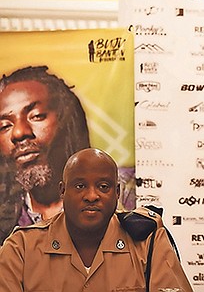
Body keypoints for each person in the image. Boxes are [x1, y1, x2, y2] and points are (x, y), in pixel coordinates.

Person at [0, 148, 193, 291]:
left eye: (103, 186)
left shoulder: (148, 243)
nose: (91, 196)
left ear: (117, 193)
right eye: (80, 186)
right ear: (62, 191)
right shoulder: (22, 248)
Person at [0, 66, 90, 242]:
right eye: (4, 126)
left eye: (36, 116)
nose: (18, 133)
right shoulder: (5, 222)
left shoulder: (121, 192)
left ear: (67, 120)